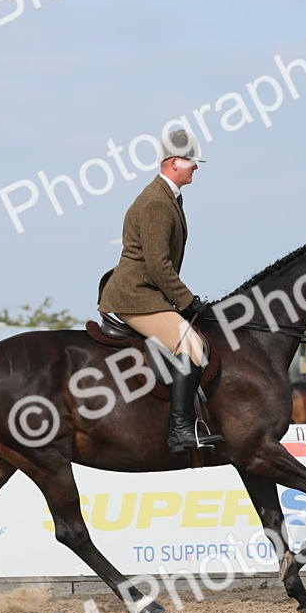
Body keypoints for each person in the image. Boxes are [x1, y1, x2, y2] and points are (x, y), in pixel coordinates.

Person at [97, 128, 222, 452]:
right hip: (135, 294)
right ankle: (180, 430)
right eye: (192, 161)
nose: (196, 167)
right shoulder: (156, 202)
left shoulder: (168, 198)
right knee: (191, 345)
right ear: (173, 162)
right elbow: (157, 264)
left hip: (149, 292)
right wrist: (189, 302)